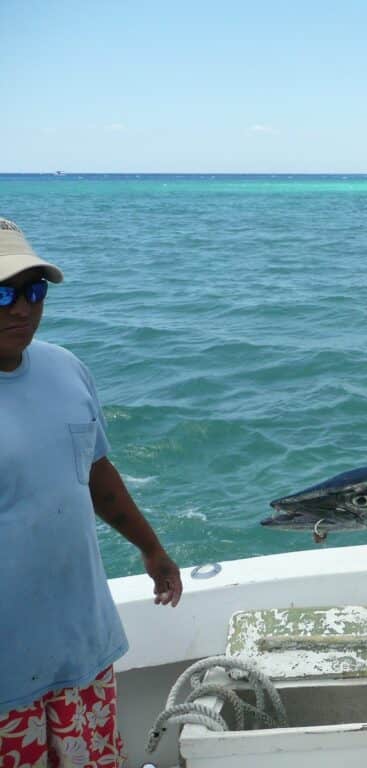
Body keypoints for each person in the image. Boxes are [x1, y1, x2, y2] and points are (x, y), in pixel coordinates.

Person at [0, 217, 183, 767]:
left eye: (35, 290)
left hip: (82, 652)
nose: (23, 308)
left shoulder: (67, 369)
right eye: (3, 291)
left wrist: (151, 548)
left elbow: (96, 475)